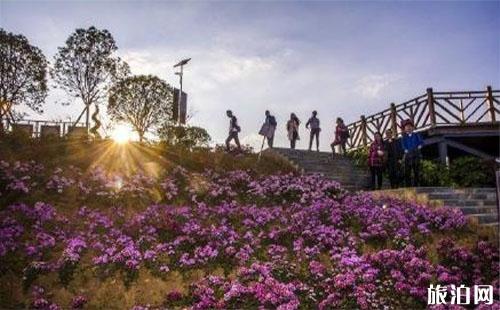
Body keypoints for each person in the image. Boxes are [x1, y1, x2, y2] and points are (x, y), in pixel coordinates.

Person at [401, 119, 423, 187]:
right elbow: (403, 145)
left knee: (416, 170)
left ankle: (416, 185)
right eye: (406, 127)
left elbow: (421, 142)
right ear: (404, 129)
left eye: (410, 126)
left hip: (416, 154)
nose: (408, 128)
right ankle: (408, 186)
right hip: (408, 154)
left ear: (413, 127)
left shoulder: (416, 135)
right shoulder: (404, 137)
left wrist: (420, 146)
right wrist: (405, 150)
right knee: (407, 171)